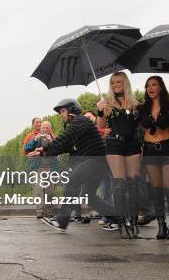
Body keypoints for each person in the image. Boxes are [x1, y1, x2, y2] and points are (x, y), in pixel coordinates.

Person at [27, 99, 115, 231]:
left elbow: (64, 139)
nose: (61, 115)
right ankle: (118, 218)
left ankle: (62, 220)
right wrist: (42, 152)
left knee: (72, 180)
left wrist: (46, 148)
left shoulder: (80, 121)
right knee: (88, 195)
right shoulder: (77, 124)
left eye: (63, 111)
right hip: (98, 162)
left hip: (96, 160)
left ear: (72, 110)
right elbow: (67, 146)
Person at [96, 71, 142, 238]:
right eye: (112, 82)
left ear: (125, 83)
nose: (115, 85)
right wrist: (100, 111)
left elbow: (142, 125)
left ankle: (133, 219)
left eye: (118, 82)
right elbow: (100, 126)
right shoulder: (107, 103)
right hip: (114, 144)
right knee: (119, 183)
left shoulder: (135, 103)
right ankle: (121, 220)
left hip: (133, 145)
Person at [137, 76, 169, 240]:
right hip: (150, 151)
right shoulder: (142, 108)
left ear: (161, 87)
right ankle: (162, 225)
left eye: (154, 85)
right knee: (157, 190)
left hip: (168, 148)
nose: (150, 88)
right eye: (148, 85)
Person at [24, 121, 58, 219]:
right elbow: (27, 149)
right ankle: (39, 211)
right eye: (43, 128)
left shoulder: (54, 138)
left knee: (50, 192)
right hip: (38, 168)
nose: (45, 129)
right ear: (40, 128)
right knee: (39, 190)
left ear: (50, 129)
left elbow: (57, 149)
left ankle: (49, 211)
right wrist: (34, 140)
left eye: (47, 128)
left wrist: (51, 141)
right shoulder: (36, 138)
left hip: (51, 168)